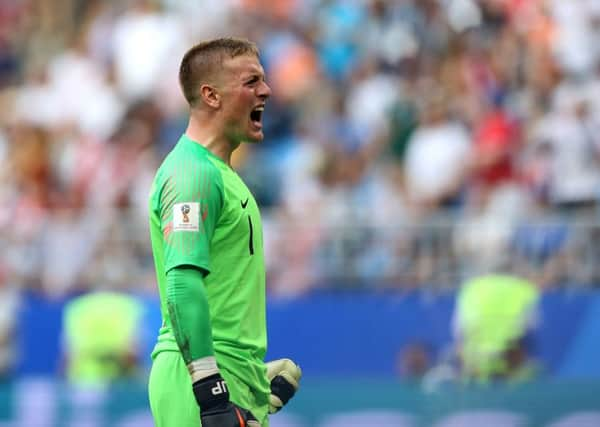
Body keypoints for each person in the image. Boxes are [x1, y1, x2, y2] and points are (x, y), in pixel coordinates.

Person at [147, 37, 301, 427]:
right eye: (252, 82)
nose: (266, 90)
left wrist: (251, 373)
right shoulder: (191, 174)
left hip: (226, 374)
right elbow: (181, 285)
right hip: (201, 383)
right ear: (211, 95)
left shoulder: (219, 174)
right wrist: (210, 391)